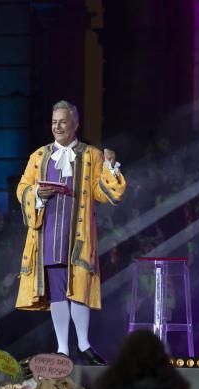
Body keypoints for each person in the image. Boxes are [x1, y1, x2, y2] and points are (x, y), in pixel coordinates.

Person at [16, 100, 126, 365]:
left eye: (63, 122)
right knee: (57, 291)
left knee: (79, 288)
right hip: (49, 233)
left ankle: (84, 344)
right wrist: (37, 194)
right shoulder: (39, 156)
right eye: (54, 122)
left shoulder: (91, 155)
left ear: (75, 124)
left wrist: (110, 166)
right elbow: (22, 189)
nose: (57, 127)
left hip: (77, 235)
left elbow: (107, 193)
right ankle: (63, 348)